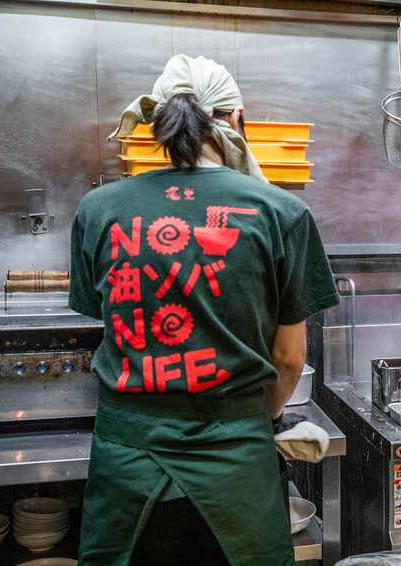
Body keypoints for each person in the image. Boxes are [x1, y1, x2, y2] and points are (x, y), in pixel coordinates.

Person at [69, 54, 340, 565]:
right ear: (237, 118)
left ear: (156, 122)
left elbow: (107, 325)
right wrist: (256, 421)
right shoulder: (282, 213)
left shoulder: (98, 209)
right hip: (235, 461)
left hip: (129, 464)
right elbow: (287, 358)